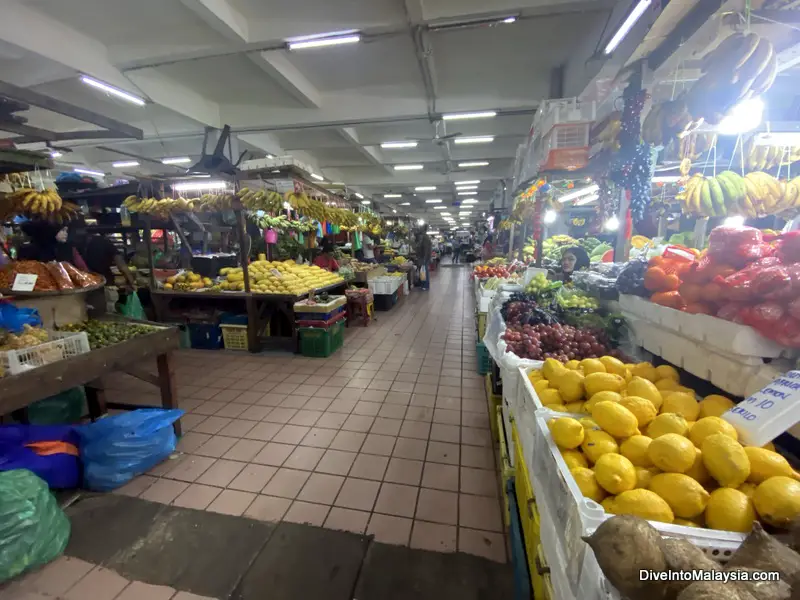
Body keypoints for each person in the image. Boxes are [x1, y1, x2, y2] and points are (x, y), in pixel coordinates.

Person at [416, 226, 432, 290]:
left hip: (424, 257)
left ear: (423, 230)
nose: (419, 229)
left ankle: (425, 286)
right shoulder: (424, 237)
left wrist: (425, 258)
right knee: (422, 271)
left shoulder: (425, 238)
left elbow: (426, 249)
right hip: (423, 257)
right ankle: (423, 285)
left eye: (421, 228)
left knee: (424, 271)